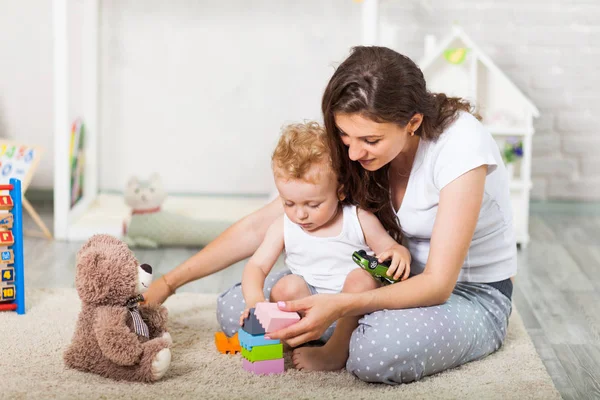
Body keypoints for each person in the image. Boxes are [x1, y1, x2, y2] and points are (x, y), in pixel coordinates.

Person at [144, 46, 516, 385]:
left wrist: (340, 305)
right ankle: (341, 326)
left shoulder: (460, 146)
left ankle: (343, 331)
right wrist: (168, 284)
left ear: (413, 123)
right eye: (343, 135)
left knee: (377, 352)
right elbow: (265, 223)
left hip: (465, 295)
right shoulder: (354, 141)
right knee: (234, 309)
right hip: (368, 280)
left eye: (371, 141)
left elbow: (437, 285)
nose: (353, 155)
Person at [238, 121, 411, 370]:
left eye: (313, 204)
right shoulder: (284, 225)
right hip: (309, 312)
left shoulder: (358, 219)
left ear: (339, 192)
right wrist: (255, 301)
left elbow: (391, 249)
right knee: (287, 286)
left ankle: (336, 350)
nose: (300, 215)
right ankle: (291, 337)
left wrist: (398, 253)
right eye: (289, 203)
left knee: (360, 279)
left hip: (351, 314)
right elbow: (255, 266)